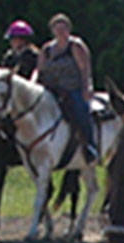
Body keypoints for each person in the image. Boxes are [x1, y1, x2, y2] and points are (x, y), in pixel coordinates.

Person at [35, 13, 98, 162]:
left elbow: (84, 69)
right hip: (51, 89)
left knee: (81, 109)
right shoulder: (46, 49)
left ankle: (90, 146)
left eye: (64, 28)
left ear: (69, 29)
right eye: (57, 28)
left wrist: (87, 87)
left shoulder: (75, 46)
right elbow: (39, 70)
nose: (61, 32)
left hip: (71, 88)